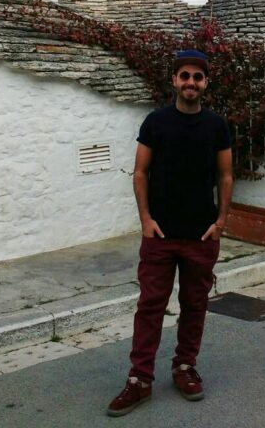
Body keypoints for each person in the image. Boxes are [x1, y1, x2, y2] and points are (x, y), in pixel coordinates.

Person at [106, 49, 233, 417]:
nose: (190, 82)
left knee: (195, 305)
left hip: (201, 236)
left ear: (205, 83)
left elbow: (225, 175)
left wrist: (221, 221)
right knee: (150, 306)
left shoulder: (216, 126)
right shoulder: (155, 123)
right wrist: (145, 219)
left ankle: (184, 367)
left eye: (197, 76)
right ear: (174, 80)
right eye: (184, 76)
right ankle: (139, 379)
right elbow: (140, 172)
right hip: (160, 235)